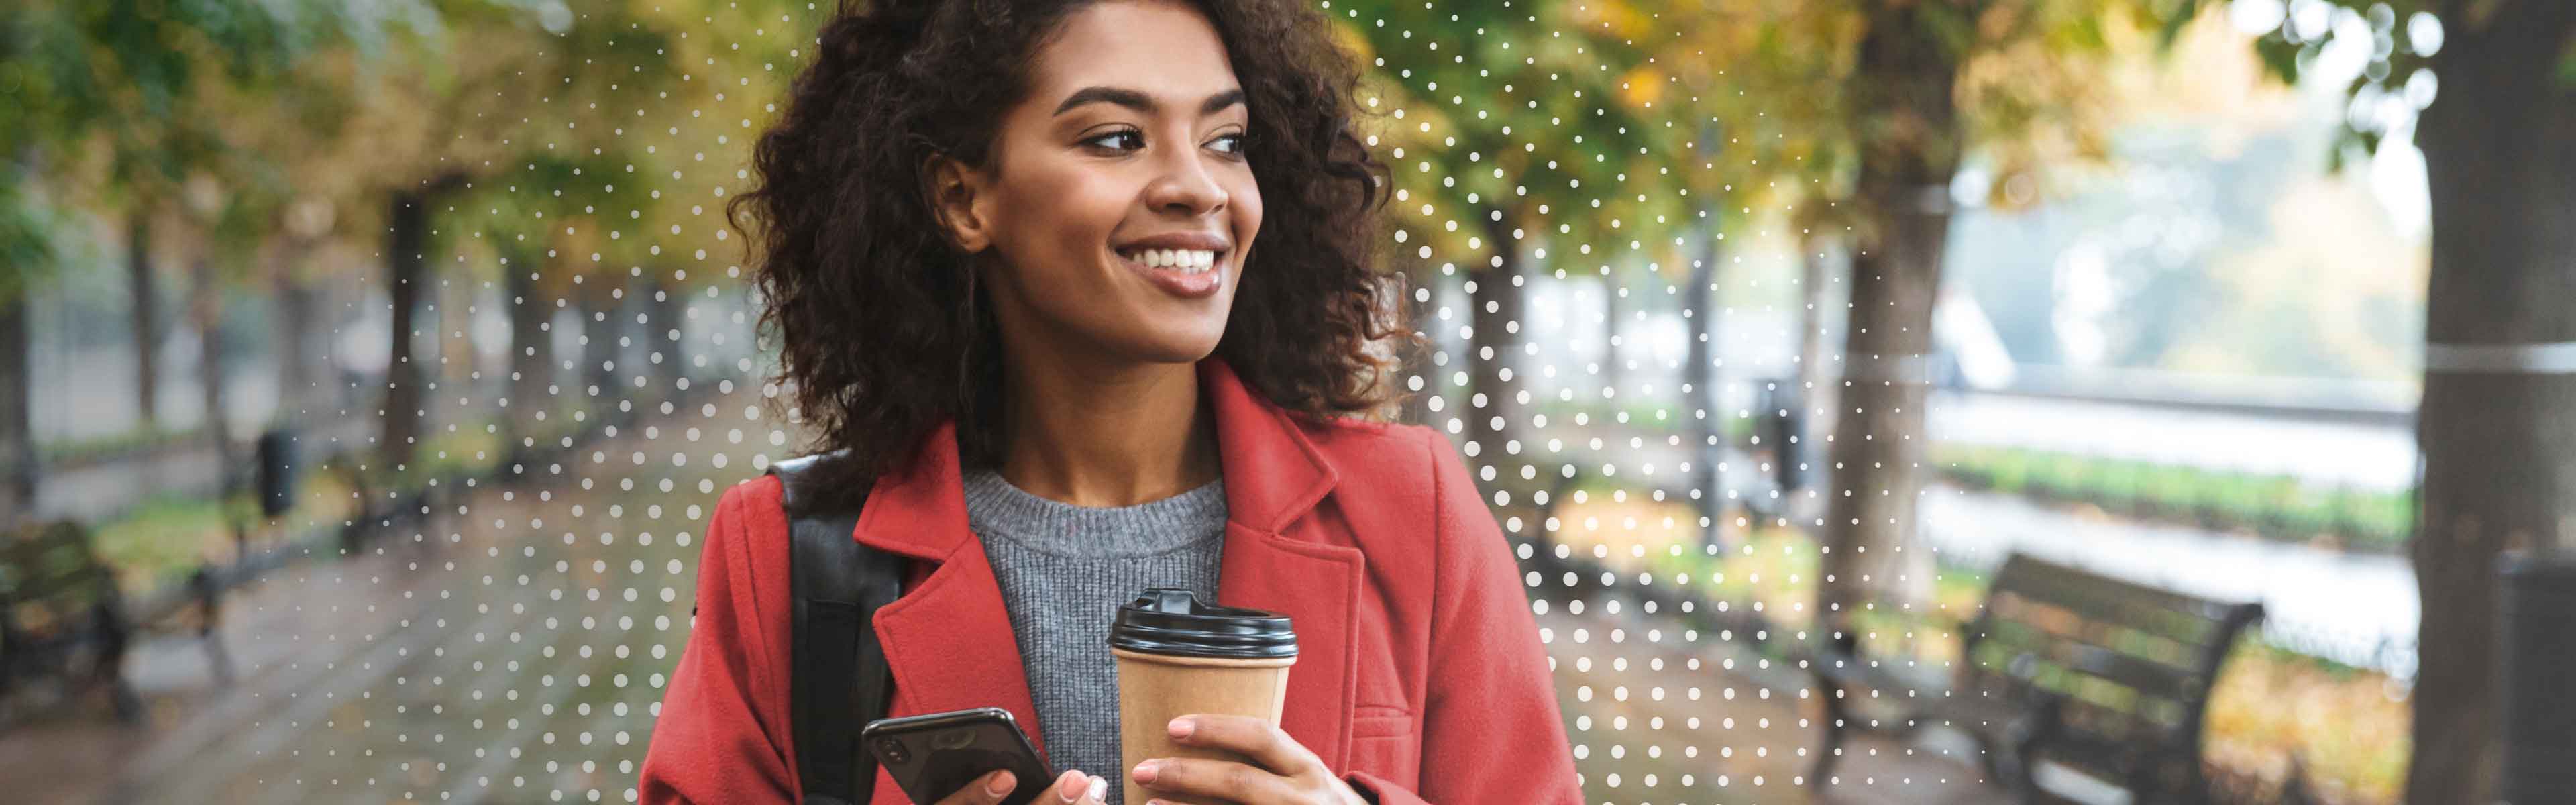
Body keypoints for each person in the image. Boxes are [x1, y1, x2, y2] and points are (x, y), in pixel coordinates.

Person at [636, 0, 1582, 802]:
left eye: (1226, 141)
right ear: (963, 200)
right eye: (1117, 139)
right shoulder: (786, 554)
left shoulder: (1411, 509)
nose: (1197, 187)